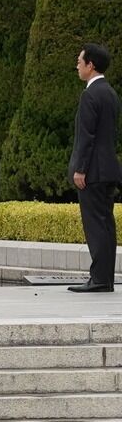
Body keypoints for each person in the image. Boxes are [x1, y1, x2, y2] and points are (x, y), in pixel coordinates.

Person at [71, 42, 120, 294]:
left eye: (80, 61)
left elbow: (87, 136)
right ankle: (104, 278)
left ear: (91, 65)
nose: (77, 66)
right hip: (107, 169)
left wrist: (80, 169)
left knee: (96, 225)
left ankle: (99, 279)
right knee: (105, 224)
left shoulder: (91, 94)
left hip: (94, 172)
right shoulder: (110, 92)